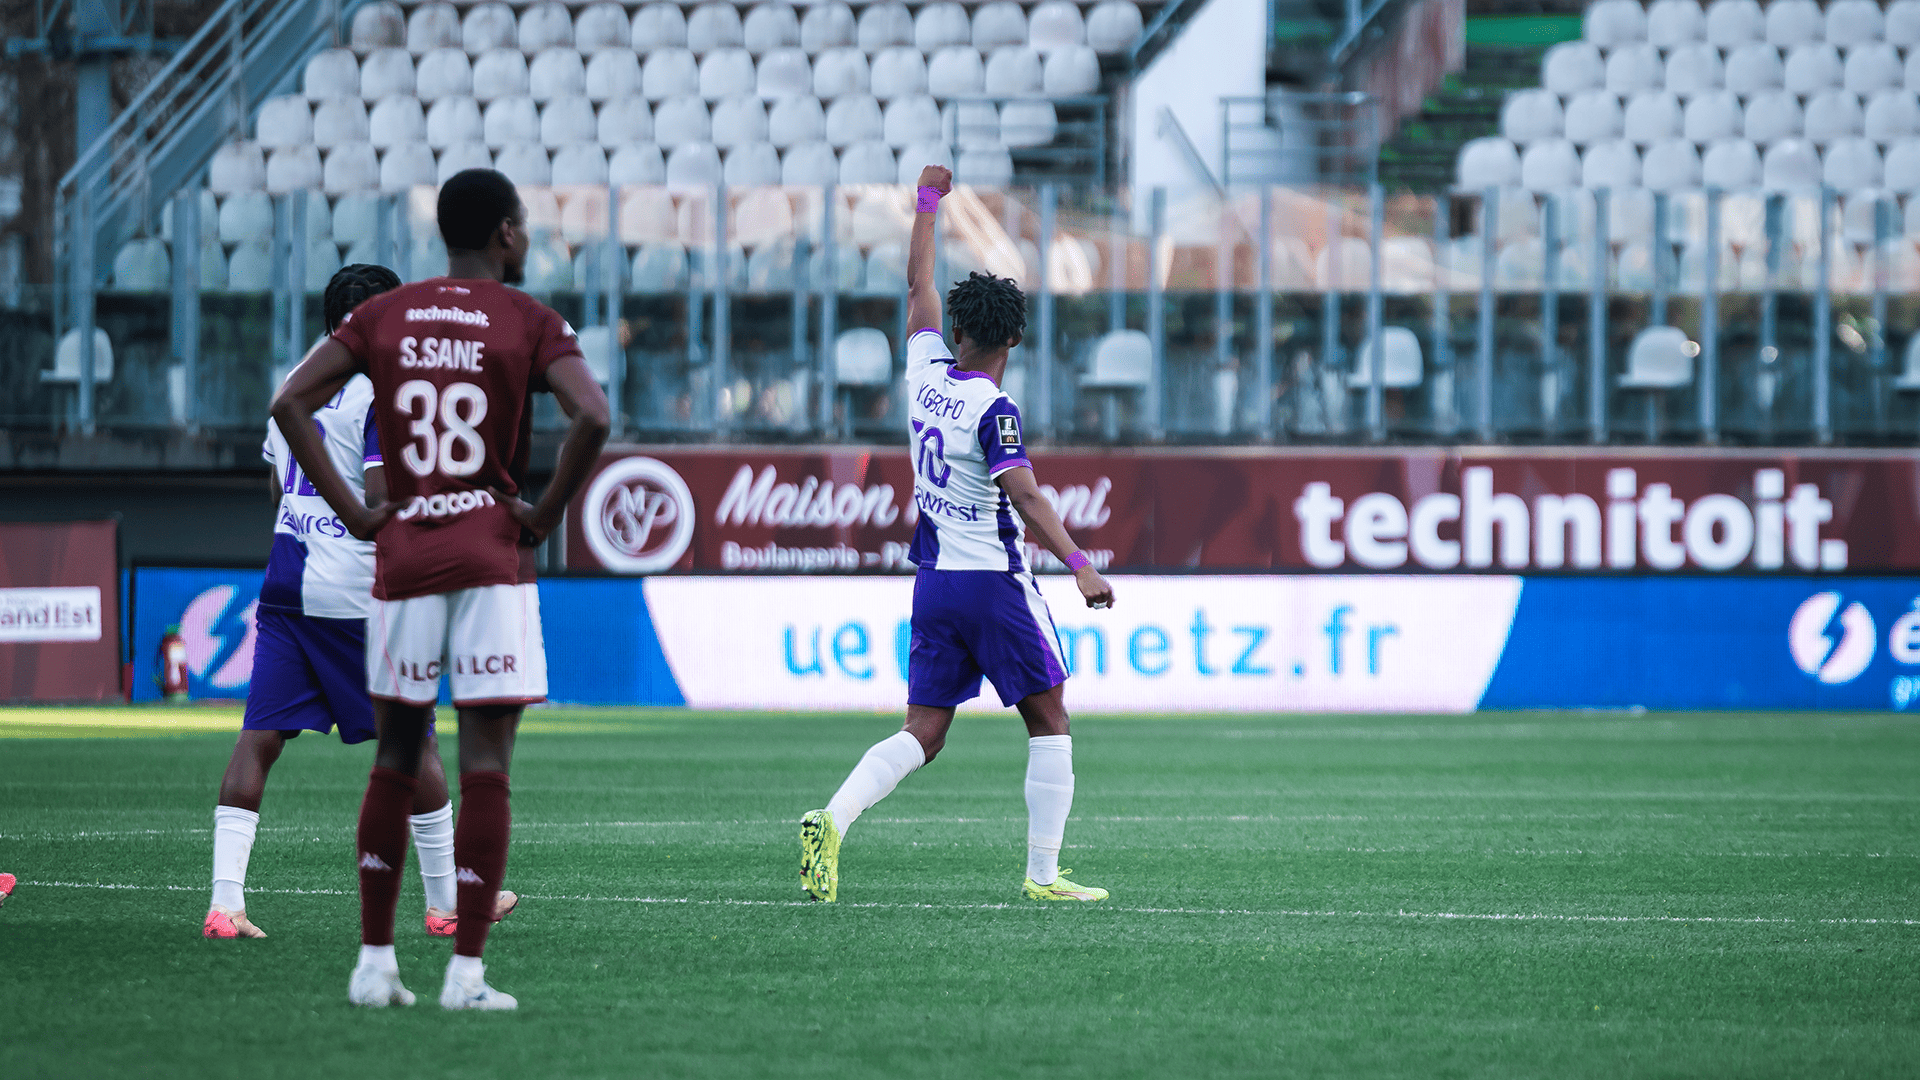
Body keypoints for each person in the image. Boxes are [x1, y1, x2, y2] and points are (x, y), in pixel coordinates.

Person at [271, 168, 609, 1011]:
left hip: (405, 558)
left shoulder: (384, 313)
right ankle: (465, 974)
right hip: (491, 558)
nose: (527, 237)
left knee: (393, 760)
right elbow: (593, 417)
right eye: (524, 224)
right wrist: (542, 514)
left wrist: (356, 511)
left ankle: (375, 964)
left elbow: (291, 400)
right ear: (502, 232)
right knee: (485, 766)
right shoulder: (529, 320)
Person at [799, 165, 1117, 904]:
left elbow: (917, 289)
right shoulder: (994, 406)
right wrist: (1079, 563)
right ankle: (1043, 877)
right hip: (994, 582)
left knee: (925, 732)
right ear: (1014, 337)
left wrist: (926, 204)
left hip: (936, 582)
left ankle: (832, 819)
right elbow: (1026, 494)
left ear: (957, 330)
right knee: (1050, 718)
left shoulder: (924, 372)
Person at [207, 263, 515, 941]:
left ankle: (224, 905)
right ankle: (448, 904)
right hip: (355, 597)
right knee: (416, 742)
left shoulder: (297, 383)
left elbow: (276, 488)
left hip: (287, 587)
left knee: (258, 741)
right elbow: (381, 498)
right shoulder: (382, 393)